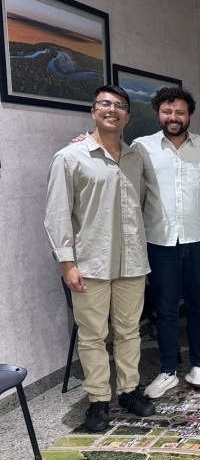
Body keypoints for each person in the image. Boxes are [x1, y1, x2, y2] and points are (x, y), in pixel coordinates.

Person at [45, 85, 155, 431]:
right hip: (89, 262)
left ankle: (129, 391)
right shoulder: (70, 157)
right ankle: (98, 401)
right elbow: (57, 214)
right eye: (105, 104)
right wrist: (66, 263)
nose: (112, 109)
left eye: (120, 105)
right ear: (94, 111)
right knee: (93, 335)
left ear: (127, 116)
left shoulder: (135, 157)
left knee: (129, 332)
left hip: (132, 261)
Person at [128, 88, 200, 399]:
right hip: (159, 241)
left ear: (189, 115)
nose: (173, 117)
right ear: (159, 113)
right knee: (166, 308)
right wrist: (84, 142)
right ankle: (168, 370)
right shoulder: (141, 147)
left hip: (198, 239)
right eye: (167, 112)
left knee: (198, 305)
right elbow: (115, 166)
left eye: (180, 112)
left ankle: (199, 366)